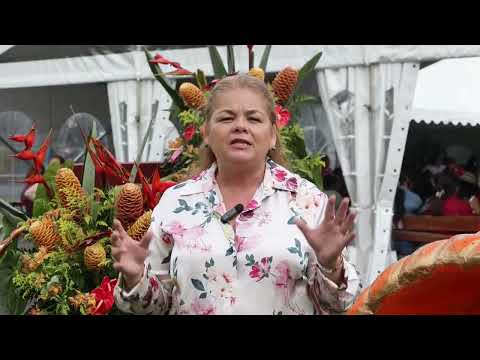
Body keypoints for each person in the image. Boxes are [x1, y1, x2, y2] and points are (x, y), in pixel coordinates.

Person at [111, 75, 361, 315]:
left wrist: (331, 266)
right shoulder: (176, 202)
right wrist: (135, 277)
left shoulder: (306, 200)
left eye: (253, 119)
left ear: (273, 135)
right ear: (206, 132)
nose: (240, 126)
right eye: (227, 118)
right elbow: (156, 306)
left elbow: (337, 305)